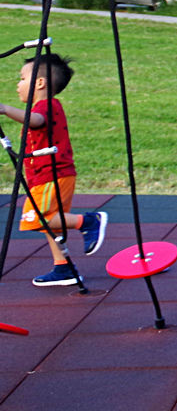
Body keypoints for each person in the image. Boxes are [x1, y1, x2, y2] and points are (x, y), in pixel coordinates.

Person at [1, 53, 106, 286]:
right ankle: (64, 267)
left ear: (39, 83)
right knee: (51, 222)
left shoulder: (47, 106)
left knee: (37, 219)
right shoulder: (42, 106)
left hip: (53, 174)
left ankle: (88, 221)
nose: (17, 84)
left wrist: (5, 109)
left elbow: (36, 121)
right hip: (45, 175)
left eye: (21, 79)